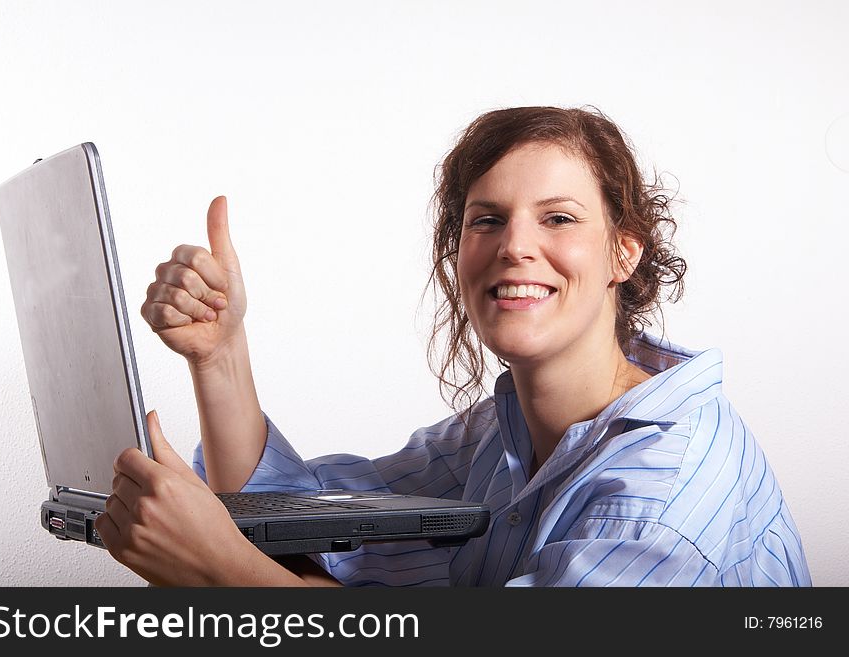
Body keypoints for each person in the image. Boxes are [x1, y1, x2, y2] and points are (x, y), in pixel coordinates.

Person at [95, 106, 812, 586]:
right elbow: (302, 522)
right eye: (487, 220)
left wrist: (223, 571)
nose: (515, 247)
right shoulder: (495, 438)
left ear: (623, 252)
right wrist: (220, 352)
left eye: (557, 217)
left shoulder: (663, 496)